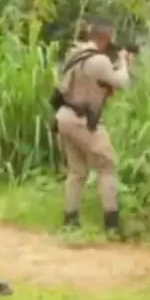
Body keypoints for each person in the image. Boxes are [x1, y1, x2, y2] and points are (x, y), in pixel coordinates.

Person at [53, 19, 132, 235]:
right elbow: (122, 82)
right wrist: (124, 62)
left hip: (65, 116)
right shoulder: (98, 60)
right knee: (107, 166)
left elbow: (96, 78)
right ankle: (112, 225)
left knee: (77, 171)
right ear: (106, 37)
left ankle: (70, 222)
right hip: (83, 120)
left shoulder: (75, 53)